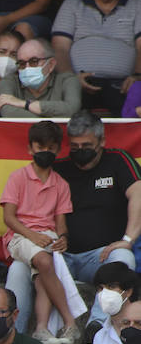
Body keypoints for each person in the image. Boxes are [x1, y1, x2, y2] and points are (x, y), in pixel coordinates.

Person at [56, 112, 141, 331]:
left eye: (87, 145)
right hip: (61, 256)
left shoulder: (118, 160)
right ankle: (32, 331)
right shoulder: (59, 167)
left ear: (102, 141)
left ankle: (96, 325)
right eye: (74, 146)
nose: (80, 151)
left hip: (100, 258)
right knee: (23, 266)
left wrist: (128, 239)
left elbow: (138, 193)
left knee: (123, 257)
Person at [1, 121, 77, 342]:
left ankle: (41, 328)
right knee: (44, 262)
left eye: (51, 147)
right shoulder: (17, 177)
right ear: (30, 148)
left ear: (58, 149)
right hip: (20, 236)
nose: (45, 151)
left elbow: (60, 221)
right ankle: (69, 321)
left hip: (48, 237)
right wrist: (32, 235)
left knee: (43, 274)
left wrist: (63, 238)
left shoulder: (61, 184)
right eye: (40, 146)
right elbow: (8, 218)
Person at [51, 0, 141, 114]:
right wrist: (70, 79)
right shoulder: (72, 3)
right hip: (79, 80)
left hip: (124, 84)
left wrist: (137, 76)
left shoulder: (137, 2)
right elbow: (60, 48)